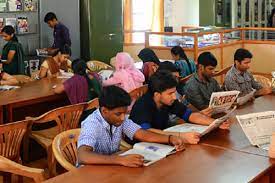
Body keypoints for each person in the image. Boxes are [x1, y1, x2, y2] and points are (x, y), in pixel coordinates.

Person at [77, 85, 185, 167]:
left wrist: (170, 138)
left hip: (110, 167)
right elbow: (83, 156)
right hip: (90, 172)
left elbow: (141, 133)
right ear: (104, 111)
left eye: (125, 113)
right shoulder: (92, 124)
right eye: (118, 114)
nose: (123, 118)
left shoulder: (119, 119)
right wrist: (120, 160)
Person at [130, 70, 230, 145]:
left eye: (174, 92)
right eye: (170, 93)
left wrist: (215, 123)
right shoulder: (142, 106)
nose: (174, 97)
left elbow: (190, 115)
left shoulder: (168, 101)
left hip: (165, 140)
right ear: (157, 95)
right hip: (143, 145)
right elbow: (146, 132)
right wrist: (181, 136)